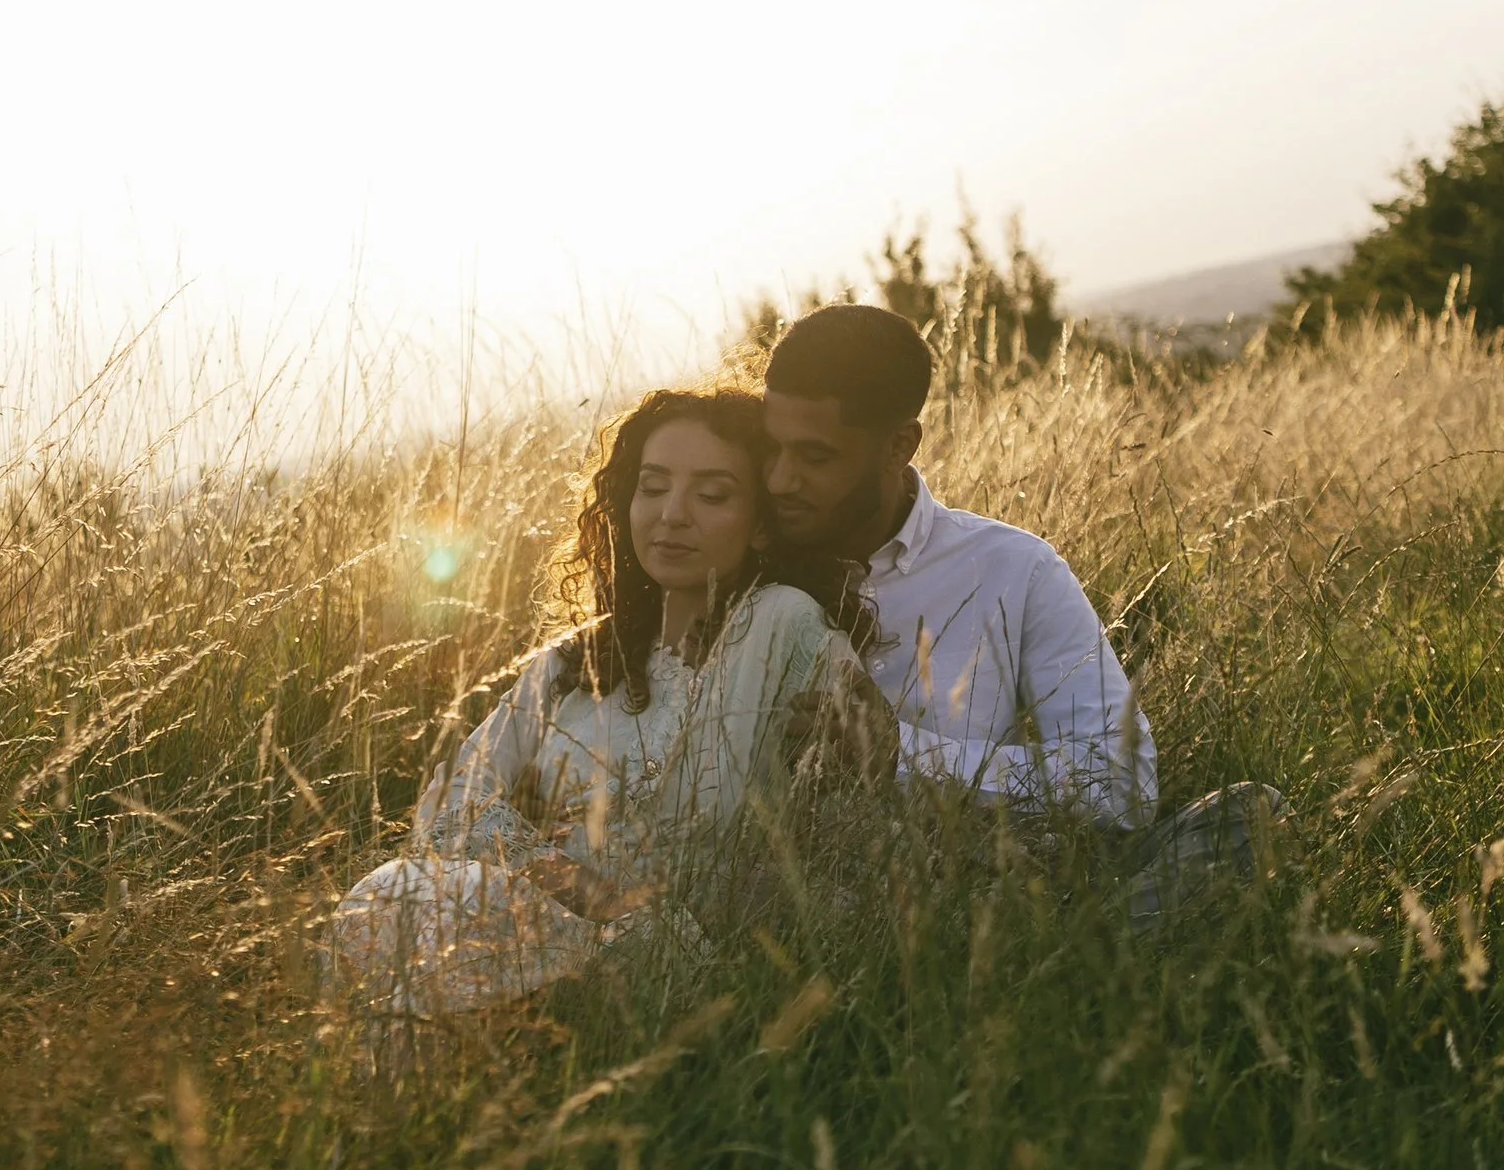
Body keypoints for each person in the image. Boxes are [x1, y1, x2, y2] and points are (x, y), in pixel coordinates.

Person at [328, 387, 891, 1032]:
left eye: (712, 495)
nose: (672, 515)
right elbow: (447, 807)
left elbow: (852, 811)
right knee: (390, 898)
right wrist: (559, 877)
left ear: (761, 521)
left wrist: (623, 907)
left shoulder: (781, 622)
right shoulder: (571, 664)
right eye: (652, 488)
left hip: (679, 958)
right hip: (520, 924)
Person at [760, 302, 1156, 828]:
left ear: (899, 446)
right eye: (771, 448)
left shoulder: (1015, 570)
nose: (780, 481)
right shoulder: (741, 553)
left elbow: (1123, 783)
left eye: (815, 458)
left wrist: (905, 754)